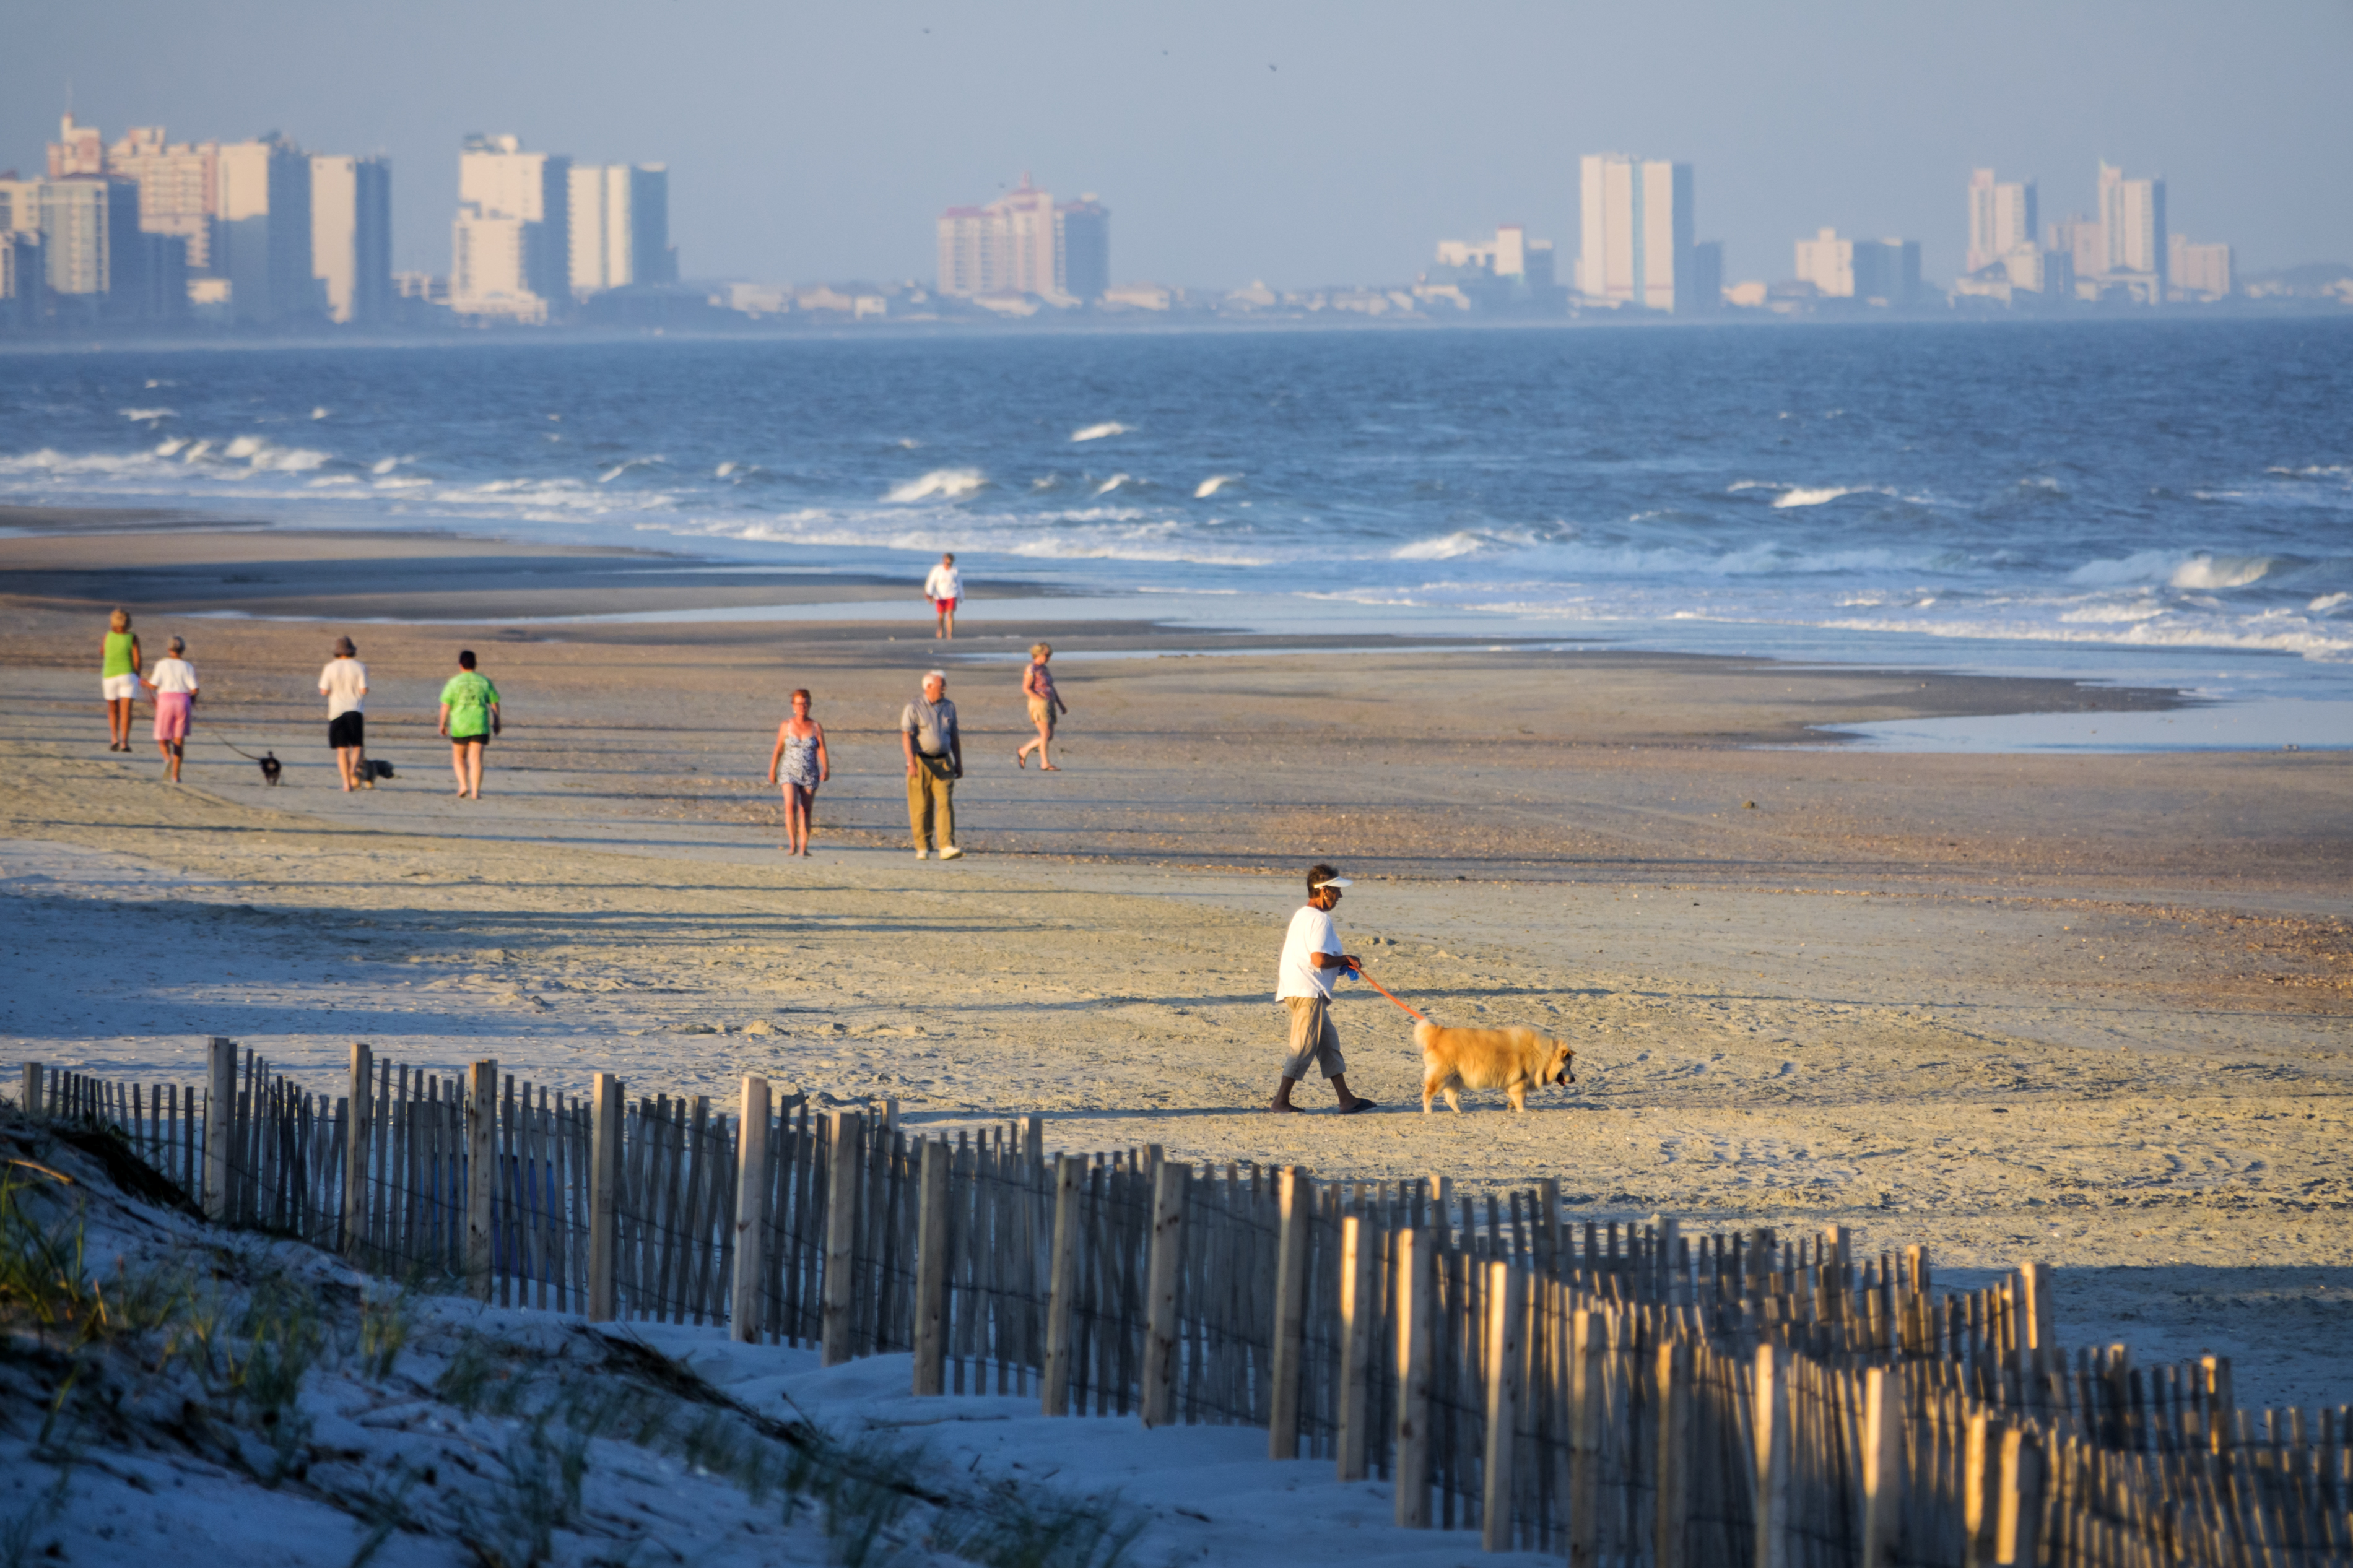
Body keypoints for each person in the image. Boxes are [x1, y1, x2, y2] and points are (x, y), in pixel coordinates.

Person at [1271, 863, 1377, 1114]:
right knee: (1303, 1047)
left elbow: (1311, 958)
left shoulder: (1303, 914)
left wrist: (1340, 964)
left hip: (1298, 989)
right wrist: (1345, 960)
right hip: (1308, 992)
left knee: (1328, 1044)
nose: (1340, 896)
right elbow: (1318, 960)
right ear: (1324, 891)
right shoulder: (1320, 919)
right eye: (1336, 890)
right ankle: (1280, 1102)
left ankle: (1346, 1099)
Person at [901, 669, 963, 860]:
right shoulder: (913, 707)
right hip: (920, 762)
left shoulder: (949, 707)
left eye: (944, 685)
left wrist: (959, 762)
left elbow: (954, 737)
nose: (944, 688)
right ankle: (923, 845)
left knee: (945, 803)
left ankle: (946, 845)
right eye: (941, 685)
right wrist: (910, 762)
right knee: (921, 806)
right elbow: (906, 736)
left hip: (944, 762)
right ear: (929, 687)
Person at [765, 687, 830, 856]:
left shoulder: (816, 727)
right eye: (800, 704)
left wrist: (826, 768)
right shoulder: (786, 726)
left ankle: (804, 847)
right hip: (789, 772)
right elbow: (779, 749)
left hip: (810, 773)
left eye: (806, 704)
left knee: (806, 809)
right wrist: (773, 770)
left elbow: (822, 749)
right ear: (793, 706)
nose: (803, 707)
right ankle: (792, 844)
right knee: (791, 805)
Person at [437, 649, 501, 800]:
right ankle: (475, 792)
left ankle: (463, 785)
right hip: (479, 723)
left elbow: (445, 705)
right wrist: (497, 721)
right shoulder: (484, 681)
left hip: (460, 724)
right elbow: (494, 703)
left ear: (460, 665)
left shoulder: (453, 682)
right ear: (475, 664)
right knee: (476, 759)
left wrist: (443, 723)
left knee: (459, 758)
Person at [144, 636, 199, 784]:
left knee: (162, 736)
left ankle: (167, 759)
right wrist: (192, 700)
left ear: (169, 650)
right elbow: (195, 689)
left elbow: (154, 686)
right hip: (183, 702)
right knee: (179, 741)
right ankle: (176, 776)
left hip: (166, 701)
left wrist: (143, 682)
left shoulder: (162, 664)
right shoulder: (188, 666)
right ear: (183, 650)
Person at [320, 636, 372, 791]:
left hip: (336, 711)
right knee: (357, 746)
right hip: (355, 709)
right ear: (352, 651)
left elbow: (324, 691)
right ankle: (353, 770)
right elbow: (364, 690)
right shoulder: (360, 666)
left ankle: (346, 783)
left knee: (342, 750)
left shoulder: (329, 667)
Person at [1015, 641, 1068, 771]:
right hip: (1039, 704)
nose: (1049, 658)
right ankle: (1045, 763)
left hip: (1050, 702)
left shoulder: (1045, 669)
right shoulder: (1031, 669)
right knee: (1045, 734)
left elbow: (1051, 688)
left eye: (1049, 655)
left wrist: (1061, 704)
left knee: (1049, 736)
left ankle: (1024, 750)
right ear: (1038, 655)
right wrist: (1039, 699)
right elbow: (1026, 688)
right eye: (1047, 655)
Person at [100, 609, 142, 752]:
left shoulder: (107, 636)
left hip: (110, 675)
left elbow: (103, 651)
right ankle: (125, 743)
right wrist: (137, 675)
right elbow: (137, 659)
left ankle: (114, 739)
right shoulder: (132, 637)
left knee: (113, 709)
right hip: (128, 675)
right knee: (126, 711)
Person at [924, 552, 962, 640]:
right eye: (946, 561)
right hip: (940, 595)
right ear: (943, 560)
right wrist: (929, 593)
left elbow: (960, 585)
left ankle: (950, 633)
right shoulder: (937, 570)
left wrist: (961, 596)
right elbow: (931, 582)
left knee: (950, 614)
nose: (948, 564)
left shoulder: (955, 571)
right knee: (941, 615)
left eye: (950, 562)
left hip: (952, 594)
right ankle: (941, 629)